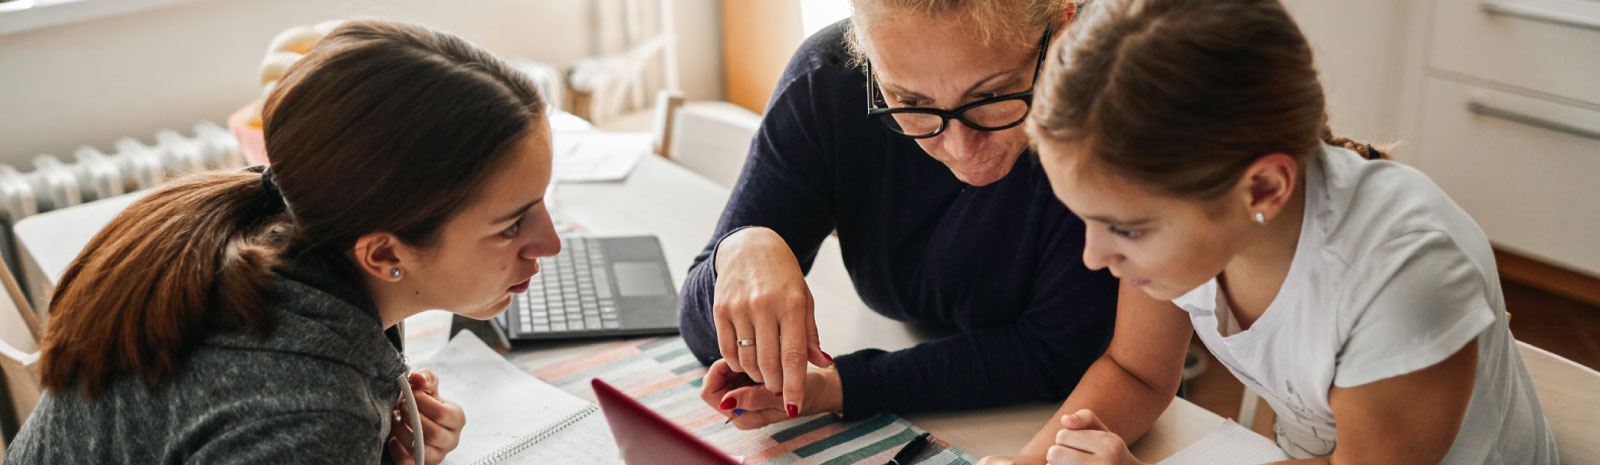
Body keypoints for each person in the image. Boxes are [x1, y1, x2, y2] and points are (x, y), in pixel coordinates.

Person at [981, 0, 1560, 463]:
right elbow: (1135, 371)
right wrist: (1035, 460)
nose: (1092, 256)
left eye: (1123, 229)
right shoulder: (1192, 225)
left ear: (1261, 190)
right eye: (1085, 219)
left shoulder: (1404, 275)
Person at [5, 20, 562, 465]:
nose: (551, 242)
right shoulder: (308, 418)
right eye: (511, 225)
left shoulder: (275, 230)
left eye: (541, 201)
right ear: (385, 254)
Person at [682, 0, 1120, 429]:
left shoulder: (1114, 101)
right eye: (910, 100)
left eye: (992, 95)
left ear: (1063, 21)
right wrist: (739, 250)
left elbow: (1056, 353)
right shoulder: (829, 83)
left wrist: (845, 385)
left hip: (1094, 417)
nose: (960, 149)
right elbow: (699, 331)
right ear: (864, 51)